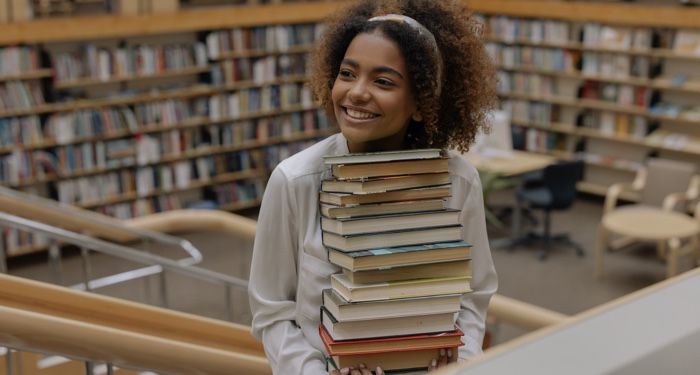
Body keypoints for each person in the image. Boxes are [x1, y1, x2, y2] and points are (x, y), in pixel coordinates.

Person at [248, 0, 498, 374]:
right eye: (347, 74)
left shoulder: (459, 181)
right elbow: (272, 312)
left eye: (383, 81)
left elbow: (474, 296)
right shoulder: (294, 181)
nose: (357, 93)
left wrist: (460, 363)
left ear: (421, 103)